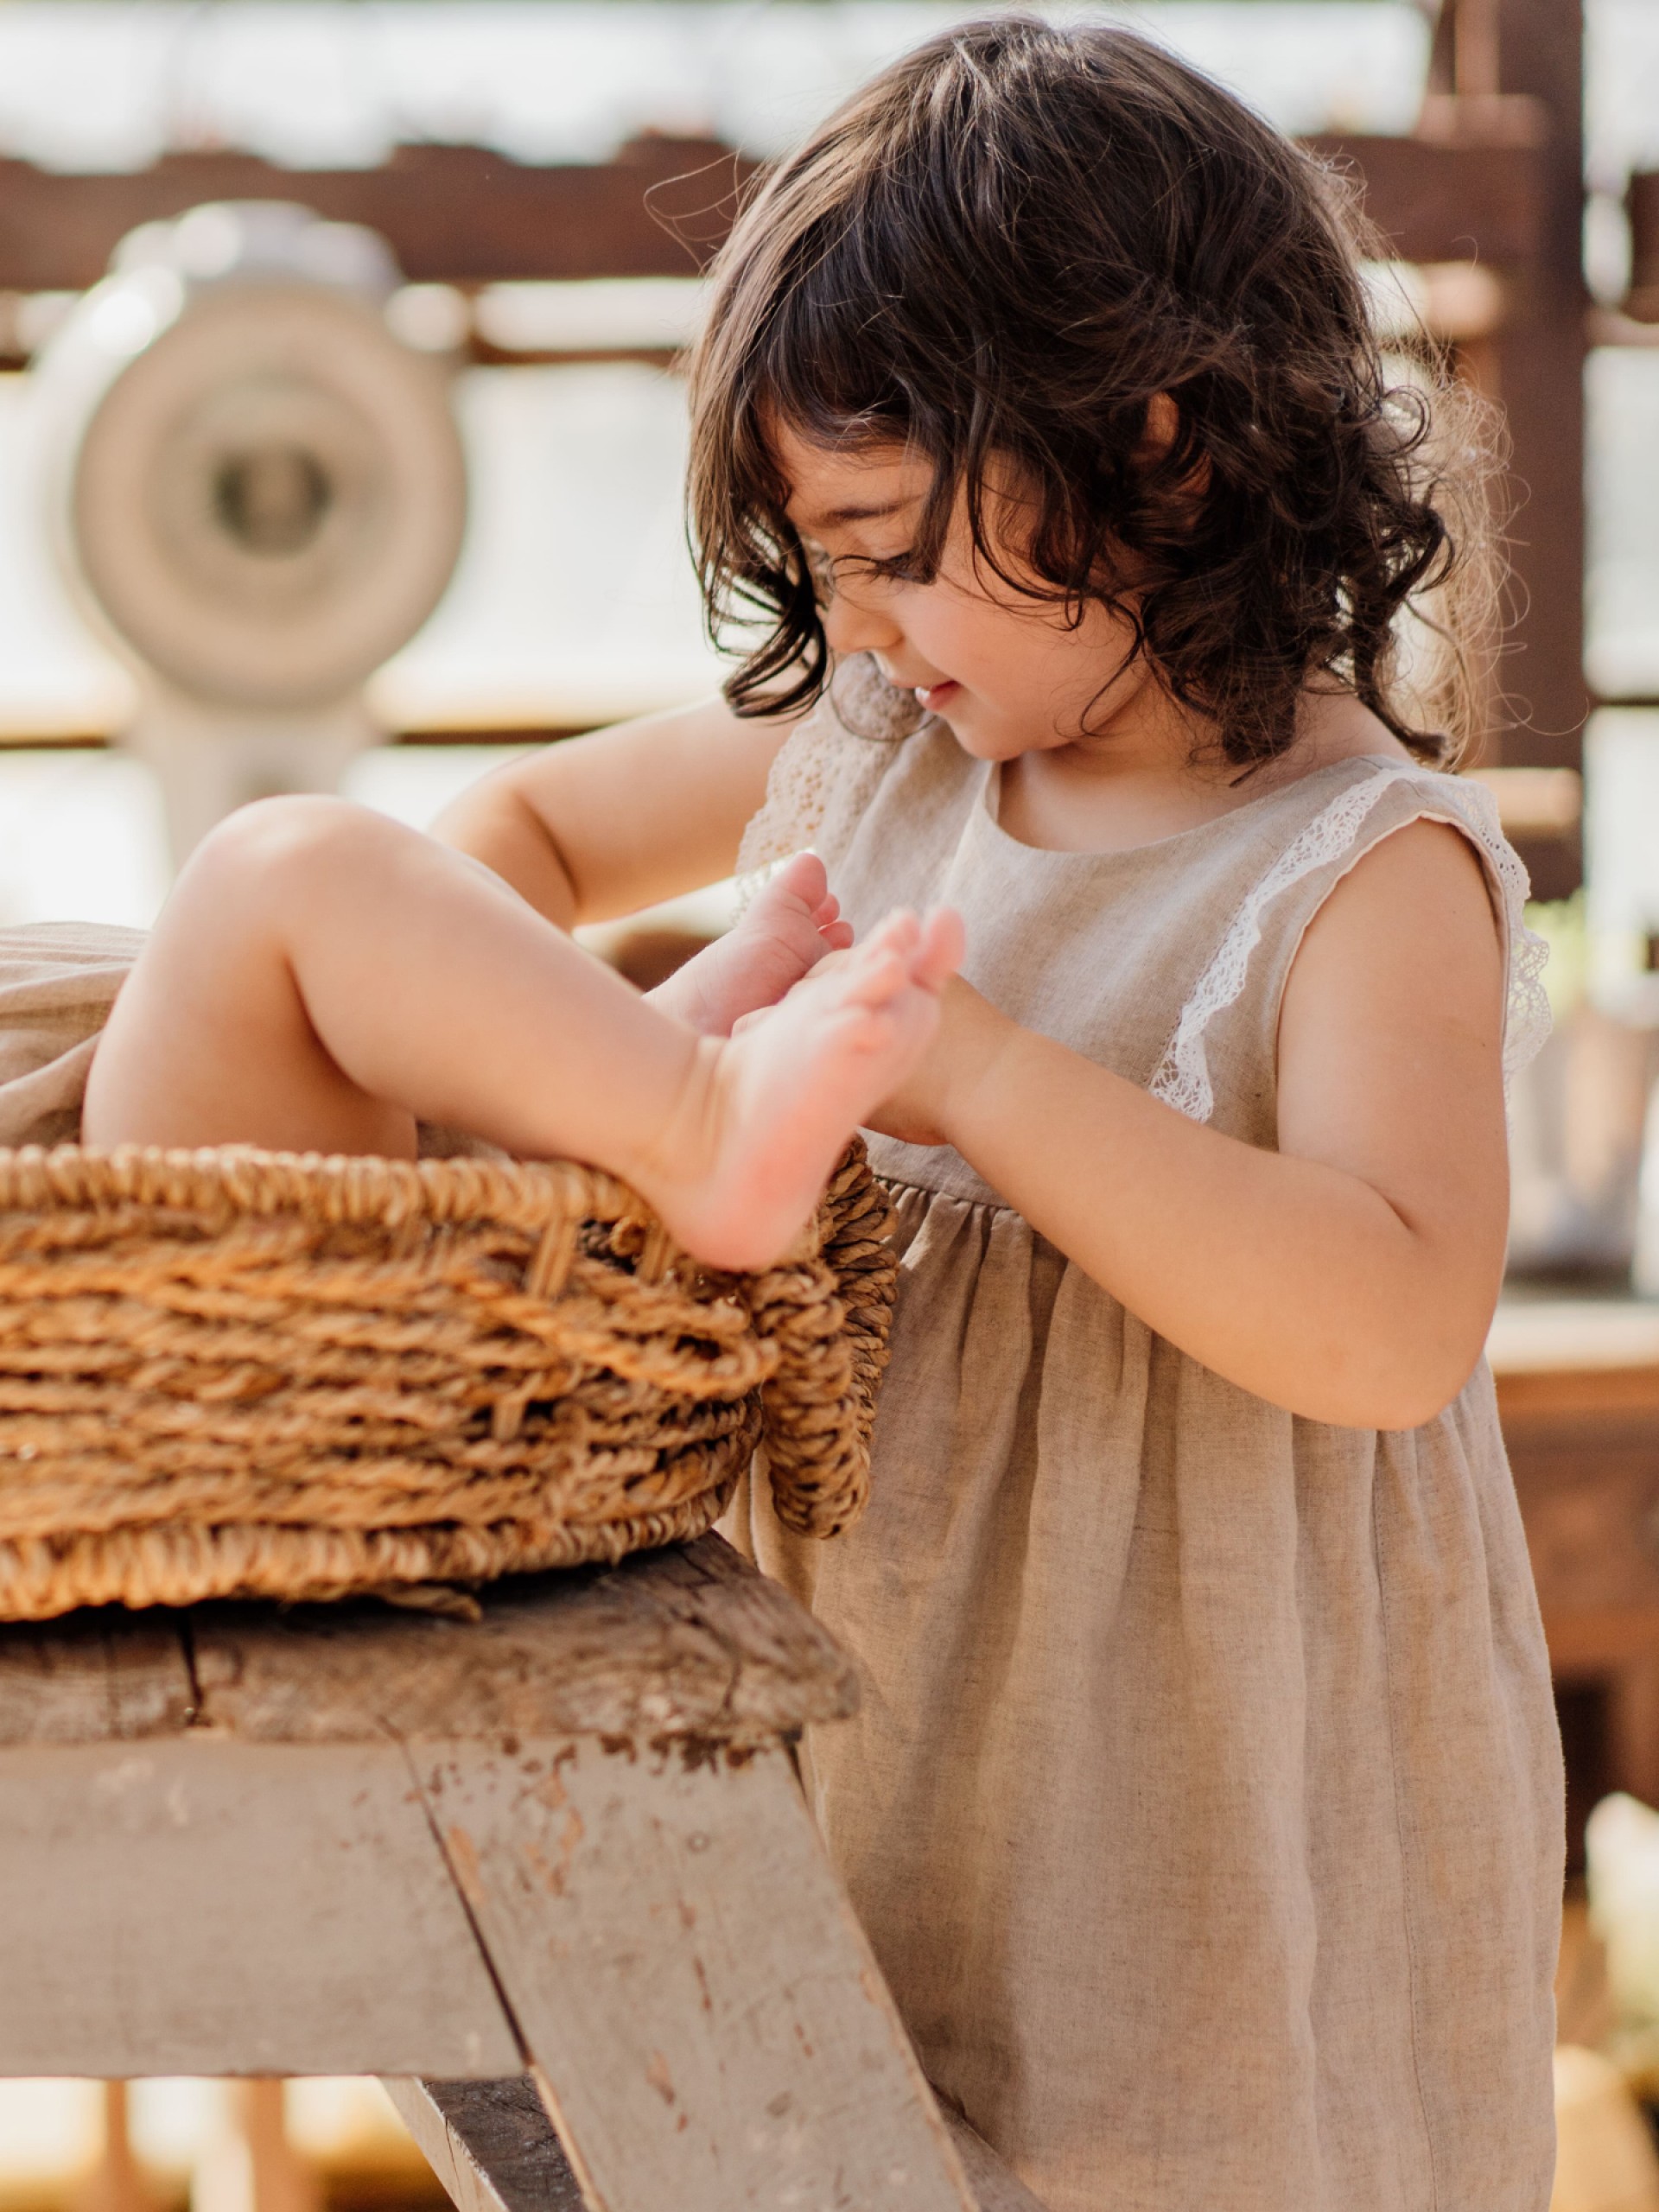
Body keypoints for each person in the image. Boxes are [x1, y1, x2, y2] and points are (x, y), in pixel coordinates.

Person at [418, 21, 1562, 2210]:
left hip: (1191, 1834)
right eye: (813, 557)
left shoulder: (1355, 867)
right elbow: (508, 837)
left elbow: (1394, 1312)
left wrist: (966, 1072)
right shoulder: (889, 745)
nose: (845, 617)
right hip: (868, 1732)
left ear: (1154, 444)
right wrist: (632, 1084)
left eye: (881, 543)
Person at [80, 828, 962, 1272]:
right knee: (277, 869)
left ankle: (640, 1068)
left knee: (375, 895)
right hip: (94, 1242)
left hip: (180, 1108)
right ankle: (694, 1118)